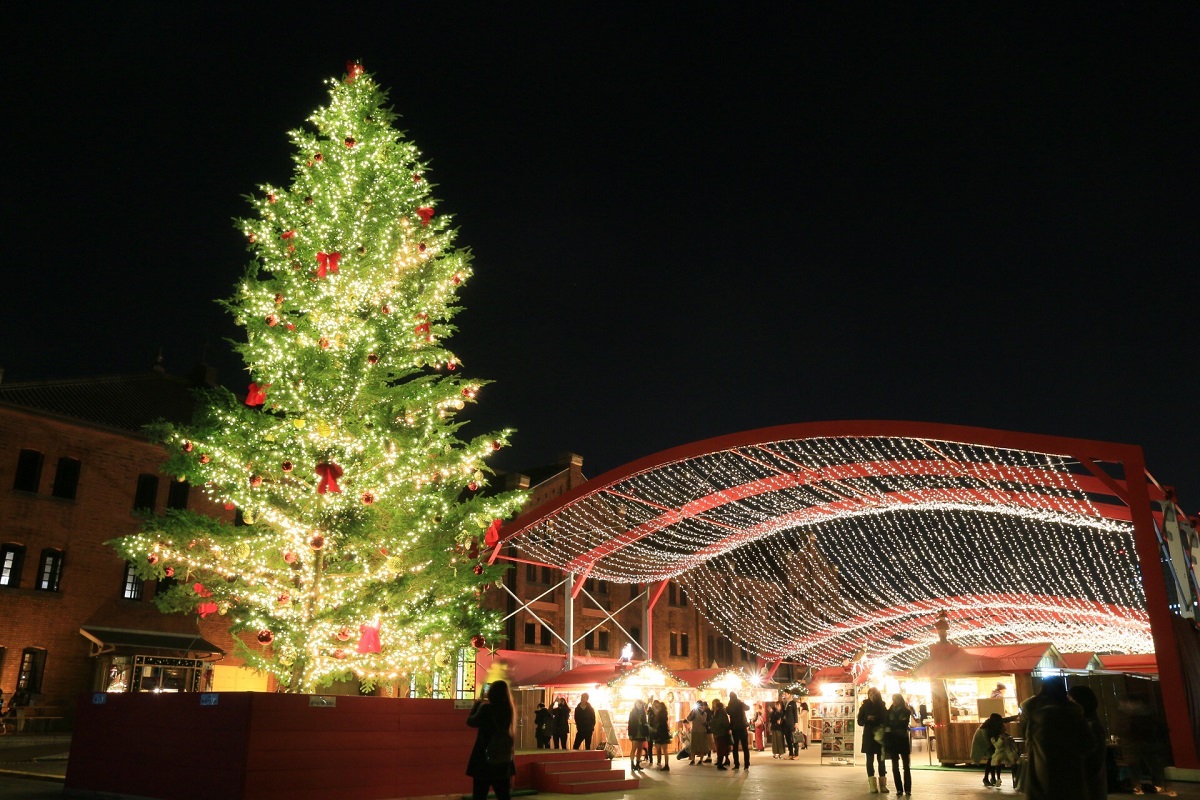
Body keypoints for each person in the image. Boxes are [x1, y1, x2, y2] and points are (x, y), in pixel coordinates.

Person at [1019, 679, 1089, 800]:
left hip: (1040, 774)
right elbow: (1088, 743)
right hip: (1071, 773)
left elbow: (1027, 738)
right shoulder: (1074, 713)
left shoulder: (1034, 717)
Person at [466, 680, 516, 800]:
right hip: (503, 759)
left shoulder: (486, 709)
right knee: (503, 795)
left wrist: (476, 706)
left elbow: (470, 722)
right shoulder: (509, 710)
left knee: (480, 794)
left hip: (483, 758)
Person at [1066, 686, 1107, 800]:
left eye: (1072, 700)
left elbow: (1092, 761)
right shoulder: (1088, 724)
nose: (1069, 704)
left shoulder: (1091, 726)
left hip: (1088, 786)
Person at [882, 693, 915, 796]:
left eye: (896, 699)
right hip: (893, 740)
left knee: (906, 766)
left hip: (902, 740)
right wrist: (896, 724)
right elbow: (888, 724)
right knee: (895, 766)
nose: (894, 701)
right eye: (893, 699)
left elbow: (902, 724)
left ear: (900, 700)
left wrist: (892, 725)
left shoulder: (906, 711)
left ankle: (908, 789)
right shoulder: (889, 712)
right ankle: (899, 789)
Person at [858, 687, 888, 793]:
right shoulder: (864, 706)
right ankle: (872, 785)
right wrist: (867, 719)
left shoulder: (882, 705)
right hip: (869, 735)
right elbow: (859, 721)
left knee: (881, 761)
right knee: (870, 760)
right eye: (870, 694)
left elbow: (886, 719)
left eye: (874, 694)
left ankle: (883, 785)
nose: (872, 697)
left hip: (879, 735)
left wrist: (880, 720)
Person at [727, 691, 750, 770]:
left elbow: (728, 711)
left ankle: (736, 764)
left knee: (735, 747)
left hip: (734, 728)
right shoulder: (740, 703)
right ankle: (746, 764)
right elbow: (748, 708)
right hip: (742, 727)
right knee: (745, 747)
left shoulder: (730, 705)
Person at [627, 699, 649, 771]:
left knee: (640, 748)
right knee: (634, 748)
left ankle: (638, 763)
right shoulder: (632, 713)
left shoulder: (643, 713)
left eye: (640, 704)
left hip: (642, 732)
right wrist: (630, 734)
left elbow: (645, 723)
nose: (639, 705)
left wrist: (646, 734)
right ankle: (632, 763)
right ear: (635, 704)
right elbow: (630, 723)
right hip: (635, 732)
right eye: (637, 704)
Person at [687, 700, 711, 765]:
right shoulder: (694, 711)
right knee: (693, 745)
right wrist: (692, 714)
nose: (700, 706)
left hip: (702, 731)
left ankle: (701, 760)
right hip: (695, 730)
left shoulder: (704, 713)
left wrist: (700, 714)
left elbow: (703, 721)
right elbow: (688, 718)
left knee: (701, 746)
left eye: (701, 705)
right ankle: (693, 760)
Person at [710, 698, 731, 770]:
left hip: (718, 734)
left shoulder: (716, 714)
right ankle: (720, 764)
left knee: (720, 748)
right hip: (723, 733)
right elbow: (725, 723)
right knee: (723, 748)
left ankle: (720, 762)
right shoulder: (723, 714)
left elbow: (712, 723)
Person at [651, 699, 671, 770]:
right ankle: (666, 764)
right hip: (664, 733)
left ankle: (660, 763)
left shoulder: (659, 715)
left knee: (659, 749)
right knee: (665, 750)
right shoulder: (664, 715)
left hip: (659, 733)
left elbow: (657, 723)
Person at [783, 692, 799, 758]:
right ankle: (791, 753)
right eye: (784, 694)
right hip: (785, 724)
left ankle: (796, 754)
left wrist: (796, 723)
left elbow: (795, 713)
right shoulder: (784, 703)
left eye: (786, 694)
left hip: (791, 723)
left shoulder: (793, 703)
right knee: (788, 739)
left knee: (794, 739)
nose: (784, 695)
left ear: (789, 694)